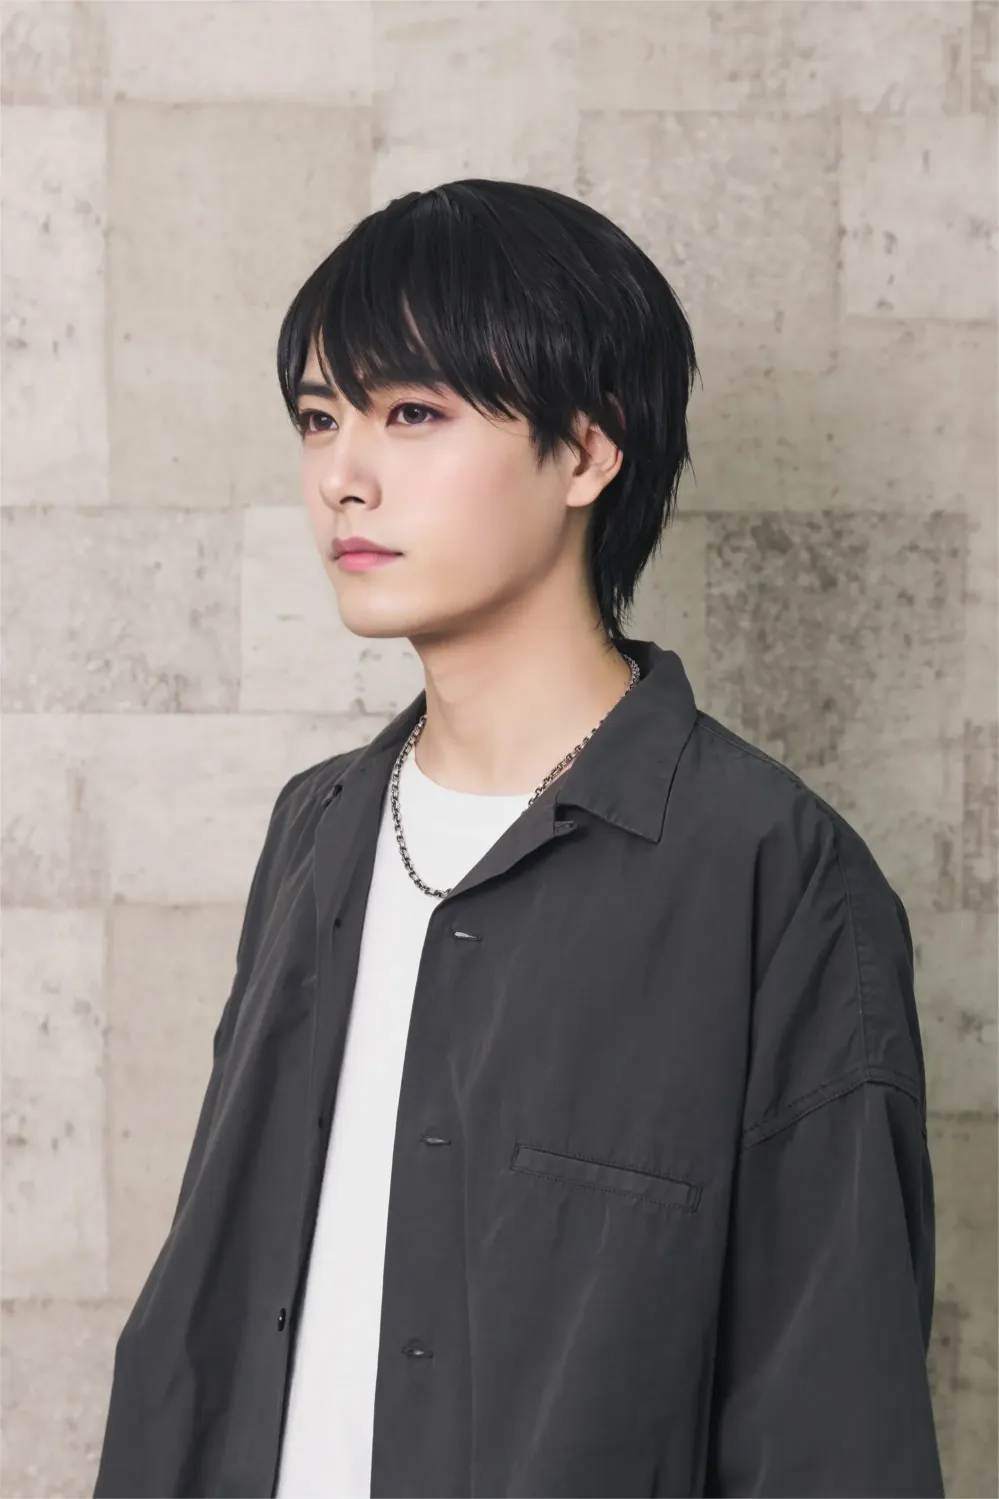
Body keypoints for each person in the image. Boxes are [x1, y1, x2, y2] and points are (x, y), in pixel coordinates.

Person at [94, 180, 945, 1498]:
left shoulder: (774, 876)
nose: (342, 476)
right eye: (319, 417)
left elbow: (833, 1427)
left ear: (586, 453)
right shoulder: (316, 829)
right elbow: (208, 1307)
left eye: (411, 413)